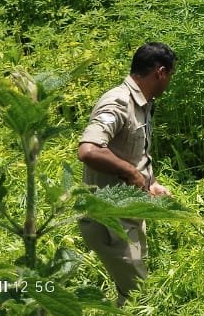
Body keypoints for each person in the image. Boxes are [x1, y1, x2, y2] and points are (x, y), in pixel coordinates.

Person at [77, 42, 176, 306]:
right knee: (138, 296)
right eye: (170, 75)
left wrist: (151, 183)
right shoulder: (118, 102)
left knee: (133, 292)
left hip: (129, 213)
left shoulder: (142, 104)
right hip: (110, 218)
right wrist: (132, 174)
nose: (169, 82)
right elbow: (89, 150)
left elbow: (131, 153)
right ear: (160, 72)